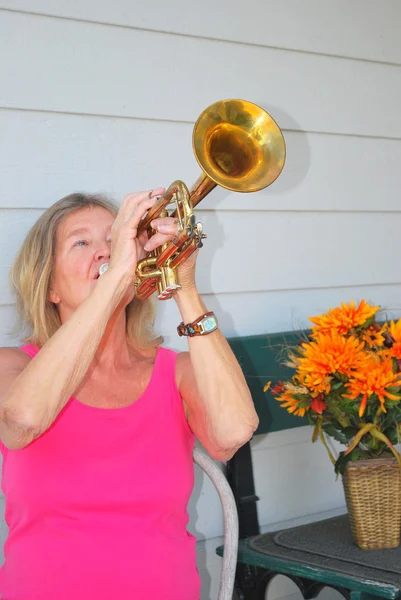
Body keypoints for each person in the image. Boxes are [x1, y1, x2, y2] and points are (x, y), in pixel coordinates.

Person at [0, 189, 259, 600]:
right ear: (50, 286)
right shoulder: (14, 367)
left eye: (115, 237)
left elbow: (233, 432)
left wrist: (185, 287)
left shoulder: (172, 373)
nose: (106, 251)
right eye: (82, 242)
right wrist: (116, 274)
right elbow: (21, 421)